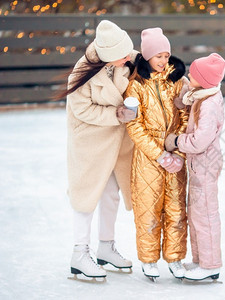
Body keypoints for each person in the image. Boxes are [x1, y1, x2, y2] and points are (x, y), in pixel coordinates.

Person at [62, 20, 137, 279]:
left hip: (115, 141)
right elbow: (82, 110)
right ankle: (79, 253)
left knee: (111, 193)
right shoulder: (82, 73)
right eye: (123, 55)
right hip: (91, 142)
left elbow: (150, 60)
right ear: (108, 55)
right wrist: (116, 113)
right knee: (86, 196)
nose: (129, 58)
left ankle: (106, 246)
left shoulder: (122, 56)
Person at [124, 27, 190, 280]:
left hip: (175, 157)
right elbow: (134, 125)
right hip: (148, 160)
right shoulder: (136, 86)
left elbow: (185, 117)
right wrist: (159, 154)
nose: (163, 61)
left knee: (176, 211)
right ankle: (149, 259)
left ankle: (175, 258)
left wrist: (178, 153)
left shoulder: (177, 81)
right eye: (158, 56)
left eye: (166, 55)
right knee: (148, 210)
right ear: (147, 56)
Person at [164, 53, 225, 281]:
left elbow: (200, 140)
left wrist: (176, 141)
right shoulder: (203, 96)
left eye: (193, 74)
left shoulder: (209, 105)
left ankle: (211, 264)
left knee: (206, 215)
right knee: (197, 215)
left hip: (205, 166)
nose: (189, 75)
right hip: (199, 166)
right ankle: (201, 260)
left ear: (204, 79)